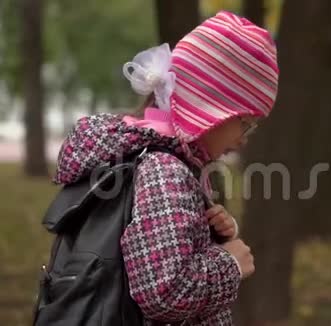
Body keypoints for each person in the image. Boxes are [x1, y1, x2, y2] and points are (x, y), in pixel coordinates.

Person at [52, 11, 278, 325]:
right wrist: (230, 263)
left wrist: (209, 233)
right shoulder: (166, 170)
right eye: (245, 123)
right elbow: (165, 293)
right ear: (211, 107)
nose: (243, 140)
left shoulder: (149, 155)